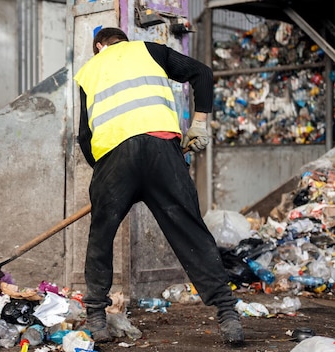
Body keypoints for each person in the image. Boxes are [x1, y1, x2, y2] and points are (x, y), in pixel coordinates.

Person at [73, 27, 244, 346]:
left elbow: (85, 136)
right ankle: (228, 314)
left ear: (99, 46)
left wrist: (105, 175)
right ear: (124, 41)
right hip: (162, 151)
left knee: (101, 236)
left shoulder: (89, 71)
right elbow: (202, 73)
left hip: (114, 159)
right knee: (191, 231)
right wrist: (199, 125)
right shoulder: (150, 50)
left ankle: (96, 317)